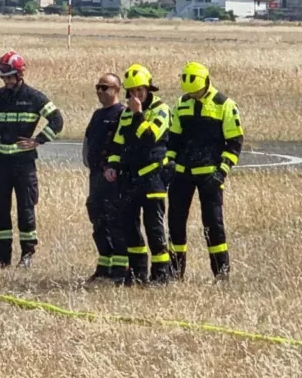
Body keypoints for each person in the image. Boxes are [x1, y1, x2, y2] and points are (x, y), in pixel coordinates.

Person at [0, 51, 64, 269]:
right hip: (1, 163)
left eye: (9, 76)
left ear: (20, 74)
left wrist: (38, 140)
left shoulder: (34, 97)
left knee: (26, 209)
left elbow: (57, 120)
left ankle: (27, 255)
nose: (6, 81)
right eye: (3, 77)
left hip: (24, 165)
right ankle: (2, 257)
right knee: (1, 210)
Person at [166, 62, 244, 282]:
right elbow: (174, 138)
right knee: (175, 223)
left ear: (206, 83)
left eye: (196, 91)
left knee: (213, 224)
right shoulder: (181, 103)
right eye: (190, 92)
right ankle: (175, 273)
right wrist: (170, 162)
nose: (193, 95)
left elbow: (234, 142)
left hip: (211, 176)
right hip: (182, 174)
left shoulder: (224, 105)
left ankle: (221, 275)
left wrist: (222, 171)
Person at [104, 64, 172, 286]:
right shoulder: (125, 114)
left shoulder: (161, 110)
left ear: (148, 89)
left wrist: (138, 114)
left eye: (140, 91)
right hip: (129, 179)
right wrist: (112, 166)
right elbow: (117, 145)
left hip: (153, 178)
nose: (136, 95)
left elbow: (150, 137)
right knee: (130, 227)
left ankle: (161, 274)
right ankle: (137, 273)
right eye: (132, 92)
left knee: (154, 228)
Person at [82, 72, 126, 282]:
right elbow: (89, 139)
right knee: (97, 217)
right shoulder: (98, 115)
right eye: (98, 87)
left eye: (105, 87)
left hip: (113, 178)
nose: (100, 91)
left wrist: (115, 168)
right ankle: (104, 264)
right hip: (96, 176)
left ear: (117, 90)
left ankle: (120, 268)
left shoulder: (122, 114)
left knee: (116, 220)